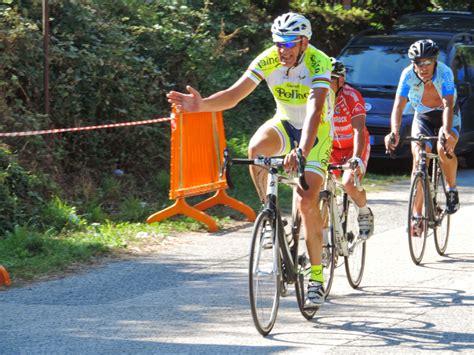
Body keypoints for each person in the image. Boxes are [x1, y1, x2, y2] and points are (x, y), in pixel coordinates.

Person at [167, 12, 333, 307]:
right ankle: (269, 211)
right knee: (256, 150)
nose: (282, 50)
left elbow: (315, 112)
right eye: (278, 43)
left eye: (289, 44)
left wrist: (301, 152)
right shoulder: (269, 58)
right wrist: (202, 105)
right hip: (284, 122)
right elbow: (234, 95)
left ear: (304, 42)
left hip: (315, 131)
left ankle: (317, 279)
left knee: (307, 198)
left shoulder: (319, 62)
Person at [385, 39, 460, 236]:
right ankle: (417, 216)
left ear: (435, 61)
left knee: (445, 149)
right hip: (423, 117)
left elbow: (448, 103)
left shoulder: (444, 73)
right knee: (419, 157)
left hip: (447, 113)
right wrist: (394, 131)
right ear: (413, 63)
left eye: (427, 62)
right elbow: (399, 106)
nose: (423, 67)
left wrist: (446, 129)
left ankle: (451, 189)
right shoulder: (407, 75)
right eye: (419, 62)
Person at [329, 58, 374, 240]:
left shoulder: (352, 97)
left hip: (354, 146)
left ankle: (364, 212)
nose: (325, 83)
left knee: (348, 183)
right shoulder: (317, 96)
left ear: (340, 80)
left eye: (330, 79)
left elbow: (358, 130)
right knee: (319, 185)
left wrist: (356, 157)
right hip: (331, 148)